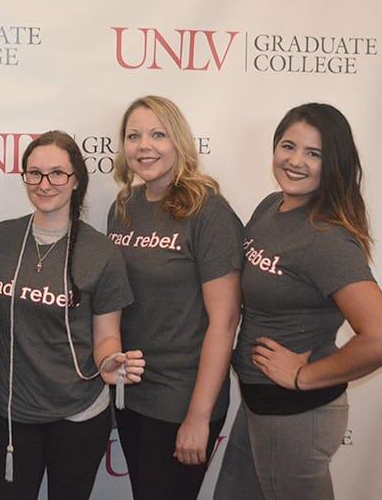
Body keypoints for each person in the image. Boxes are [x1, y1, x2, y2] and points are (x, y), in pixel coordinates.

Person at [214, 103, 382, 499]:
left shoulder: (326, 239)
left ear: (333, 163)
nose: (295, 161)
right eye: (288, 146)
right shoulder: (271, 206)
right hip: (259, 405)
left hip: (297, 416)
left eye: (313, 153)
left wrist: (303, 377)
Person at [0, 130, 145, 500]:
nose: (45, 184)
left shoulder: (101, 252)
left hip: (79, 412)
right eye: (35, 173)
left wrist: (109, 361)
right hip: (15, 413)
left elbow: (107, 334)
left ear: (76, 180)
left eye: (57, 173)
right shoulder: (2, 238)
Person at [106, 96, 243, 499]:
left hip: (183, 398)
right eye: (134, 136)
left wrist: (199, 417)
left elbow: (225, 319)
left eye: (157, 134)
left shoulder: (209, 211)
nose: (144, 145)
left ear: (179, 141)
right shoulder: (124, 207)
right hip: (132, 394)